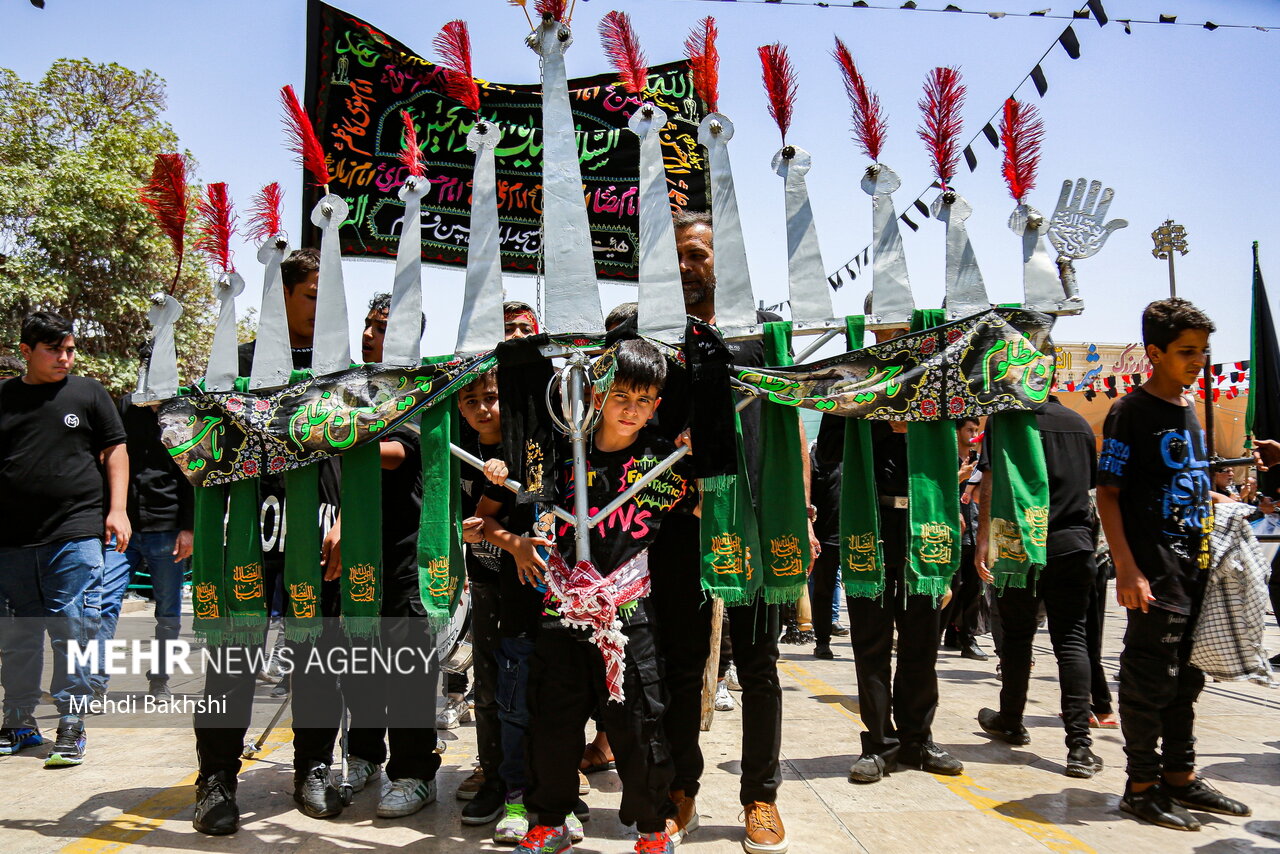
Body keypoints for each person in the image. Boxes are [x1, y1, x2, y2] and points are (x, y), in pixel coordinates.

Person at [648, 210, 809, 853]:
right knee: (681, 662)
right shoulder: (655, 338)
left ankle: (760, 797)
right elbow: (637, 428)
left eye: (698, 254)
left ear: (726, 259)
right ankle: (680, 790)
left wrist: (800, 515)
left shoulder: (763, 336)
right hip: (681, 524)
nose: (687, 268)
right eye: (678, 257)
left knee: (760, 664)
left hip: (755, 522)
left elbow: (790, 429)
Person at [510, 339, 694, 854]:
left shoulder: (666, 460)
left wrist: (706, 453)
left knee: (639, 721)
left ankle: (653, 829)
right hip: (562, 607)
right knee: (552, 719)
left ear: (656, 406)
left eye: (643, 400)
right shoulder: (559, 453)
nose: (630, 409)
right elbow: (526, 497)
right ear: (596, 396)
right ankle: (551, 821)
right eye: (620, 396)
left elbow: (710, 502)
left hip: (626, 613)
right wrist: (504, 474)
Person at [194, 248, 343, 834]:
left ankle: (313, 770)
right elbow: (198, 452)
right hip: (247, 536)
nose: (322, 309)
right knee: (231, 662)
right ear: (280, 296)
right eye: (312, 296)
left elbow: (357, 452)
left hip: (321, 534)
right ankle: (215, 780)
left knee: (318, 661)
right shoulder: (236, 366)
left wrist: (347, 521)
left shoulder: (341, 367)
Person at [1097, 297, 1251, 830]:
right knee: (1148, 682)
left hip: (1197, 569)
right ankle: (1140, 787)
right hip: (1154, 573)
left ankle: (1180, 777)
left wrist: (1219, 502)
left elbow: (1182, 482)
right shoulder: (1130, 412)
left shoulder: (1189, 408)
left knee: (1186, 680)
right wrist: (1127, 568)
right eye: (1187, 351)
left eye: (1203, 351)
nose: (1198, 361)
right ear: (1155, 352)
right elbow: (1109, 494)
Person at [816, 327, 964, 787]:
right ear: (873, 330)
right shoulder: (849, 382)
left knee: (922, 642)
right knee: (871, 642)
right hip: (870, 523)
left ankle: (919, 739)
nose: (896, 336)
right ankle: (879, 743)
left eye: (904, 330)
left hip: (924, 525)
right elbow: (828, 453)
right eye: (888, 329)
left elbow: (954, 448)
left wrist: (916, 427)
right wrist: (877, 420)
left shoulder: (935, 379)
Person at [0, 311, 129, 766]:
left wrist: (117, 510)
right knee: (17, 635)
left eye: (70, 350)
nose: (64, 358)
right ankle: (18, 721)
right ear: (26, 352)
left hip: (74, 532)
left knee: (72, 628)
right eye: (54, 350)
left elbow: (115, 450)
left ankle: (71, 723)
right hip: (12, 539)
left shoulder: (88, 393)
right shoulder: (5, 398)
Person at [974, 395, 1104, 778]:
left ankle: (1011, 719)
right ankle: (1079, 746)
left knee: (1016, 636)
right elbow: (1089, 487)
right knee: (1072, 639)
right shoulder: (1079, 424)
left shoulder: (1005, 420)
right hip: (1073, 543)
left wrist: (984, 540)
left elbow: (990, 481)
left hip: (1019, 545)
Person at [93, 383, 194, 703]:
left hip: (168, 527)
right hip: (123, 526)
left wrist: (189, 528)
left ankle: (160, 678)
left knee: (168, 612)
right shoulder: (127, 406)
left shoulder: (185, 406)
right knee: (103, 602)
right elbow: (109, 458)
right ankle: (95, 681)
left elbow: (194, 469)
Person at [940, 417, 987, 661]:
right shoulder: (947, 459)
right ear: (957, 431)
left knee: (974, 589)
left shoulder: (980, 462)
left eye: (976, 430)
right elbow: (937, 489)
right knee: (952, 587)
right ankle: (937, 633)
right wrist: (959, 476)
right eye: (969, 429)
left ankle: (967, 638)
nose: (973, 434)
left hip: (975, 529)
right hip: (953, 532)